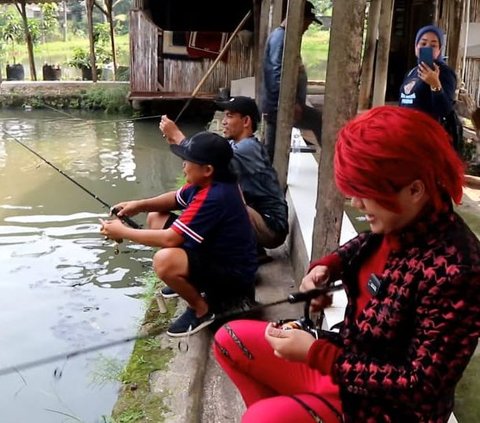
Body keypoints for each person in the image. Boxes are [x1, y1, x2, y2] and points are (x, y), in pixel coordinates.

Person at [213, 106, 480, 422]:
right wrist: (326, 266)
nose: (355, 203)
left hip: (384, 408)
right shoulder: (400, 223)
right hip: (346, 363)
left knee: (262, 418)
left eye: (366, 192)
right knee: (228, 339)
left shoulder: (456, 271)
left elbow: (420, 386)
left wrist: (316, 353)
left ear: (415, 189)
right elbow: (365, 243)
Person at [100, 131, 258, 337]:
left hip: (235, 276)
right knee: (156, 217)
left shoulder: (215, 196)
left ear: (207, 169)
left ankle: (202, 310)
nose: (183, 165)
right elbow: (175, 198)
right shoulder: (208, 183)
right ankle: (189, 283)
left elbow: (170, 239)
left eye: (187, 161)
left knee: (164, 261)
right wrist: (139, 205)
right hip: (216, 254)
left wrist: (124, 232)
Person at [160, 96, 288, 258]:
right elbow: (202, 156)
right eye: (224, 116)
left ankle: (245, 252)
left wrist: (177, 134)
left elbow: (204, 157)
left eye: (229, 116)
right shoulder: (234, 145)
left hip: (271, 227)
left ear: (246, 121)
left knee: (220, 198)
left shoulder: (248, 148)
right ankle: (249, 250)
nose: (224, 121)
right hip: (256, 219)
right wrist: (174, 139)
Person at [261, 0, 323, 162]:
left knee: (274, 148)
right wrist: (291, 102)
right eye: (307, 23)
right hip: (280, 106)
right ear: (299, 18)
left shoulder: (284, 37)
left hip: (281, 105)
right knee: (318, 122)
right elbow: (276, 74)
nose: (307, 27)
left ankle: (271, 178)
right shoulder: (281, 39)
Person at [398, 25, 463, 152]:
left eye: (433, 45)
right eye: (423, 43)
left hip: (429, 140)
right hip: (406, 135)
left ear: (439, 50)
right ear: (416, 47)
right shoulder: (412, 72)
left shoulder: (444, 73)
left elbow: (444, 110)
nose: (427, 47)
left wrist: (435, 84)